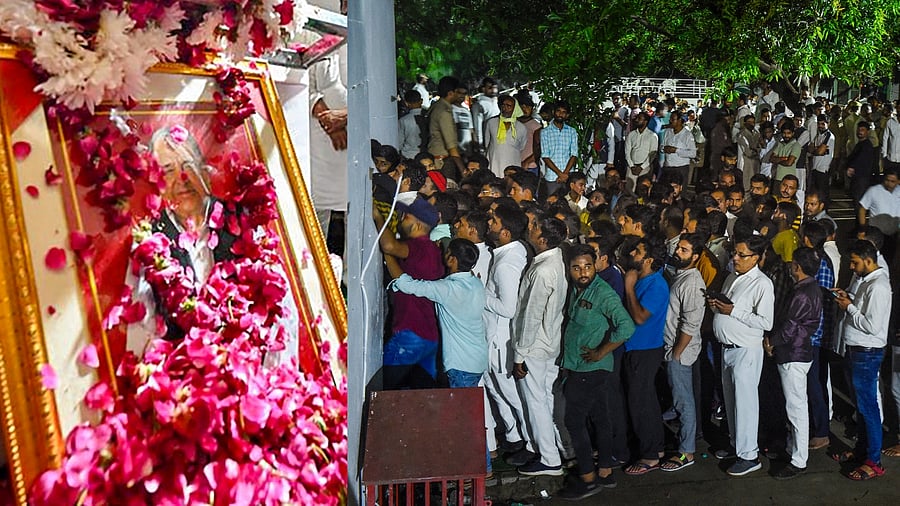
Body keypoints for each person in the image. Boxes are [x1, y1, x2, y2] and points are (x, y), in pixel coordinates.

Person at [388, 238, 491, 473]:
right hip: (476, 358)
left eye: (447, 253)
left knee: (465, 420)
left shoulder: (448, 289)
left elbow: (408, 285)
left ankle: (478, 467)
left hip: (461, 363)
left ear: (452, 260)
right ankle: (479, 466)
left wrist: (388, 255)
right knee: (469, 416)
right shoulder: (474, 283)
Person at [556, 244, 635, 499]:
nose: (583, 272)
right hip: (579, 365)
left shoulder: (603, 293)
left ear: (596, 266)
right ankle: (605, 471)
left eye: (588, 266)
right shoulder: (576, 289)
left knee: (574, 421)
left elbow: (626, 326)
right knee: (601, 417)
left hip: (589, 368)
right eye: (577, 267)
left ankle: (588, 478)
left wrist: (602, 351)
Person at [709, 235, 775, 477]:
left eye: (741, 254)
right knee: (731, 401)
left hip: (745, 350)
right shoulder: (732, 277)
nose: (735, 258)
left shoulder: (762, 284)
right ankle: (736, 444)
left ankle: (749, 455)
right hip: (727, 348)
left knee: (745, 404)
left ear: (755, 258)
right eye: (734, 253)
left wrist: (733, 311)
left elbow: (766, 322)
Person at [511, 217, 569, 476]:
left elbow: (531, 315)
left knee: (537, 402)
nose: (530, 228)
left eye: (534, 227)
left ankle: (549, 458)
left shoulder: (543, 270)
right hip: (550, 341)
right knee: (546, 398)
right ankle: (557, 448)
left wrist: (519, 353)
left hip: (535, 346)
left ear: (543, 240)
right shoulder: (555, 260)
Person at [831, 240, 893, 481]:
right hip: (856, 350)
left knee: (868, 408)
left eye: (855, 262)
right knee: (861, 406)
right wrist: (849, 299)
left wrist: (849, 308)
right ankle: (862, 451)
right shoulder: (867, 281)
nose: (852, 267)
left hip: (867, 352)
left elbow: (872, 325)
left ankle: (874, 461)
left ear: (868, 260)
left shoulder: (878, 286)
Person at [763, 247, 823, 479]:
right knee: (795, 405)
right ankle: (792, 450)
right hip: (798, 352)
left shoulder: (802, 293)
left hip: (793, 354)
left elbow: (790, 327)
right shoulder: (809, 288)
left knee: (796, 408)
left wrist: (772, 342)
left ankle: (799, 460)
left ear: (797, 266)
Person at [373, 196, 444, 389]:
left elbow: (389, 246)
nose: (401, 219)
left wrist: (379, 218)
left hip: (411, 332)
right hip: (428, 334)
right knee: (420, 395)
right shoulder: (431, 250)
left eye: (407, 217)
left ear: (418, 225)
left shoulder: (421, 247)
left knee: (383, 389)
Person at [482, 205, 531, 458]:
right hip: (494, 336)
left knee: (511, 394)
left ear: (506, 233)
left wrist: (480, 295)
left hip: (500, 339)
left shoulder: (507, 263)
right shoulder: (510, 252)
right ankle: (514, 435)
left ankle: (530, 443)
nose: (489, 224)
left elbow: (508, 308)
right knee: (496, 388)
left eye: (494, 221)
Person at [621, 237, 669, 476]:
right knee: (645, 401)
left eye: (638, 252)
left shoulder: (656, 285)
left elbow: (640, 317)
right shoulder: (644, 280)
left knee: (640, 403)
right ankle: (655, 448)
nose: (633, 254)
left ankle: (650, 456)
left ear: (648, 260)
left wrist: (629, 287)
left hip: (645, 349)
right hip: (635, 348)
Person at [659, 233, 707, 472]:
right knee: (679, 398)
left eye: (684, 250)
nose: (678, 252)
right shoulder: (681, 276)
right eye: (679, 247)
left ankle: (686, 452)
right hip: (672, 348)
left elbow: (690, 324)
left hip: (681, 351)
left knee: (684, 401)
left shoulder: (692, 283)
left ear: (695, 256)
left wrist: (676, 353)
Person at [428, 76, 467, 183]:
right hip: (442, 161)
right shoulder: (444, 112)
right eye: (458, 92)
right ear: (450, 93)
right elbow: (451, 146)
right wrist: (463, 170)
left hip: (436, 157)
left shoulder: (437, 107)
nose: (460, 96)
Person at [540, 100, 579, 196]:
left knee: (569, 202)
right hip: (552, 177)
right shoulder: (545, 132)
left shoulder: (572, 131)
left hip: (568, 176)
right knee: (552, 202)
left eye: (563, 112)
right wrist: (560, 174)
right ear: (554, 112)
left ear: (567, 115)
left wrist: (565, 174)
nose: (560, 114)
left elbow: (574, 154)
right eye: (558, 111)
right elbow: (545, 156)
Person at [484, 95, 528, 177]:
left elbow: (522, 147)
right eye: (503, 105)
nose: (505, 108)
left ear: (515, 109)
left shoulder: (521, 127)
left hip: (512, 164)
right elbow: (487, 143)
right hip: (494, 164)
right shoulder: (491, 123)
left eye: (509, 106)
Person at [625, 111, 659, 192]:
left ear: (645, 121)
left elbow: (652, 154)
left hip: (645, 168)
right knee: (629, 190)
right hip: (631, 167)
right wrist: (632, 166)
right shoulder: (631, 134)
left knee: (642, 191)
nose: (636, 120)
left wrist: (641, 167)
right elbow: (627, 152)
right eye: (637, 118)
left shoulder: (652, 136)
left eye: (639, 118)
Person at [661, 110, 697, 184]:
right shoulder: (667, 131)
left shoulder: (687, 135)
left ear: (679, 120)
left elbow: (693, 154)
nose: (670, 121)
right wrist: (664, 149)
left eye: (673, 119)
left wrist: (676, 150)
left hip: (681, 168)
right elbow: (662, 146)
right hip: (668, 166)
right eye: (670, 119)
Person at [846, 120, 877, 201]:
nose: (860, 132)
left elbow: (860, 159)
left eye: (862, 130)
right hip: (857, 178)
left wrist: (852, 167)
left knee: (859, 200)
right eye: (859, 130)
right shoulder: (860, 144)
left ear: (867, 132)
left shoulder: (867, 146)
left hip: (862, 178)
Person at [398, 90, 424, 158]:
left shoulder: (403, 120)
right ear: (421, 101)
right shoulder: (429, 117)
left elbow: (399, 142)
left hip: (408, 155)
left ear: (406, 103)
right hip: (426, 155)